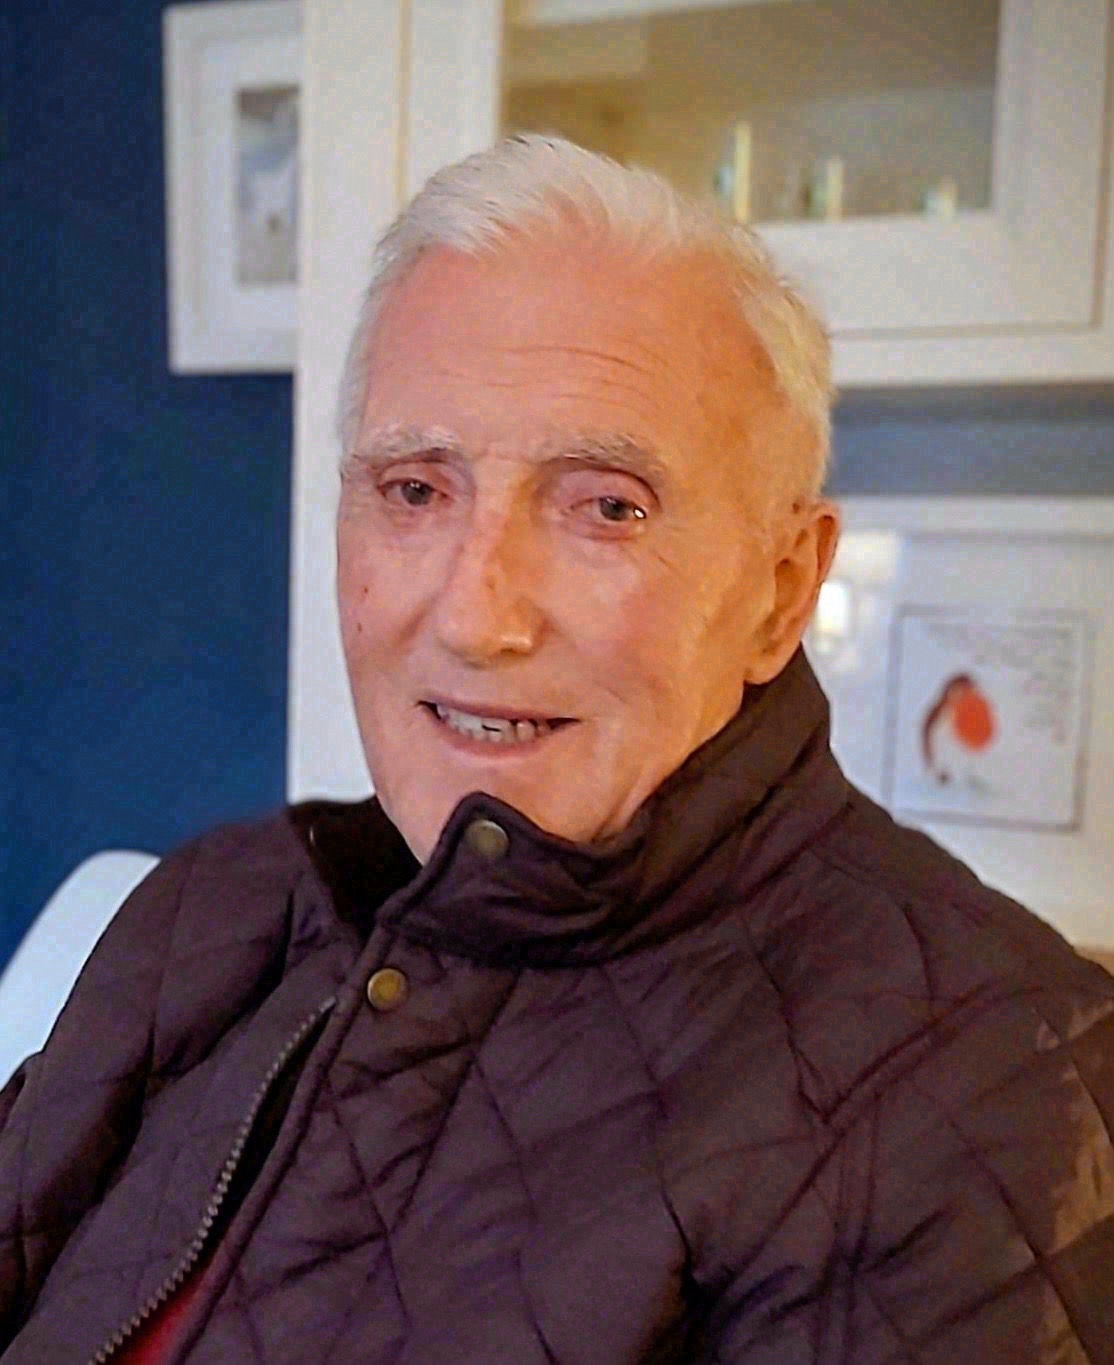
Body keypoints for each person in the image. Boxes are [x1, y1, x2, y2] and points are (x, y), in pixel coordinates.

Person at [2, 135, 1113, 1364]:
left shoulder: (990, 1086)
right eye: (415, 490)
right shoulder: (211, 909)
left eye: (607, 507)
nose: (477, 617)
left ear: (781, 589)